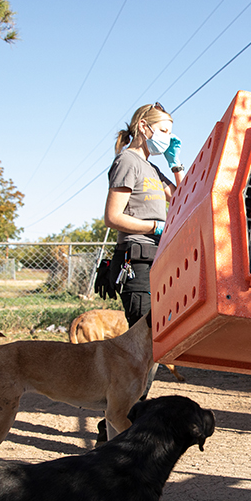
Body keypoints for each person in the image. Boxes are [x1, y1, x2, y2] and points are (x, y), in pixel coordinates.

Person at [100, 102, 183, 424]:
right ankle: (115, 426)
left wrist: (177, 164)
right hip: (136, 258)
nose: (168, 137)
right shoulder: (127, 161)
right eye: (164, 131)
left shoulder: (153, 168)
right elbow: (113, 217)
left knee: (153, 347)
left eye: (172, 132)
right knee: (140, 347)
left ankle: (120, 423)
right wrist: (153, 226)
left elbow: (182, 197)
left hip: (158, 258)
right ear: (144, 128)